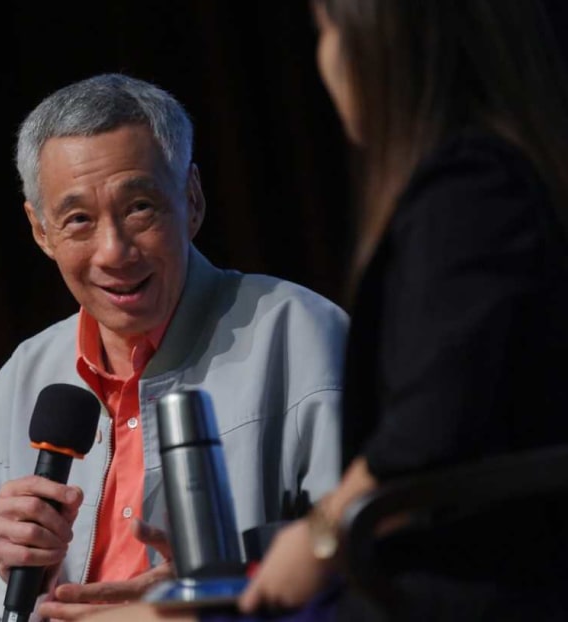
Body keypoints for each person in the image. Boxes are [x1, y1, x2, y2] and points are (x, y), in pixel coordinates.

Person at [82, 1, 568, 621]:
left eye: (327, 32)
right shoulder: (499, 175)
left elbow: (428, 439)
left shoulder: (474, 190)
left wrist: (315, 542)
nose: (326, 59)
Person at [0, 73, 350, 622]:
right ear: (41, 231)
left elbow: (372, 553)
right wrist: (6, 577)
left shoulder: (299, 335)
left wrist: (215, 591)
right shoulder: (22, 381)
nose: (114, 251)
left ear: (192, 200)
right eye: (78, 219)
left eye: (140, 208)